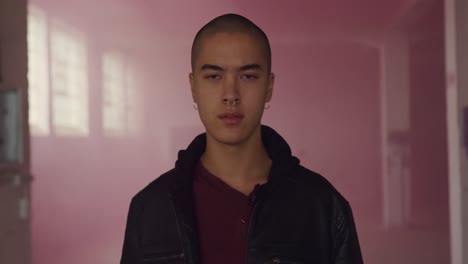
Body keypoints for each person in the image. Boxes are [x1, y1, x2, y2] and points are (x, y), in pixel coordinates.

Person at [121, 13, 363, 264]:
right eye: (214, 76)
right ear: (193, 88)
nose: (231, 95)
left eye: (248, 76)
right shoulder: (150, 207)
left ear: (269, 87)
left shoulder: (322, 205)